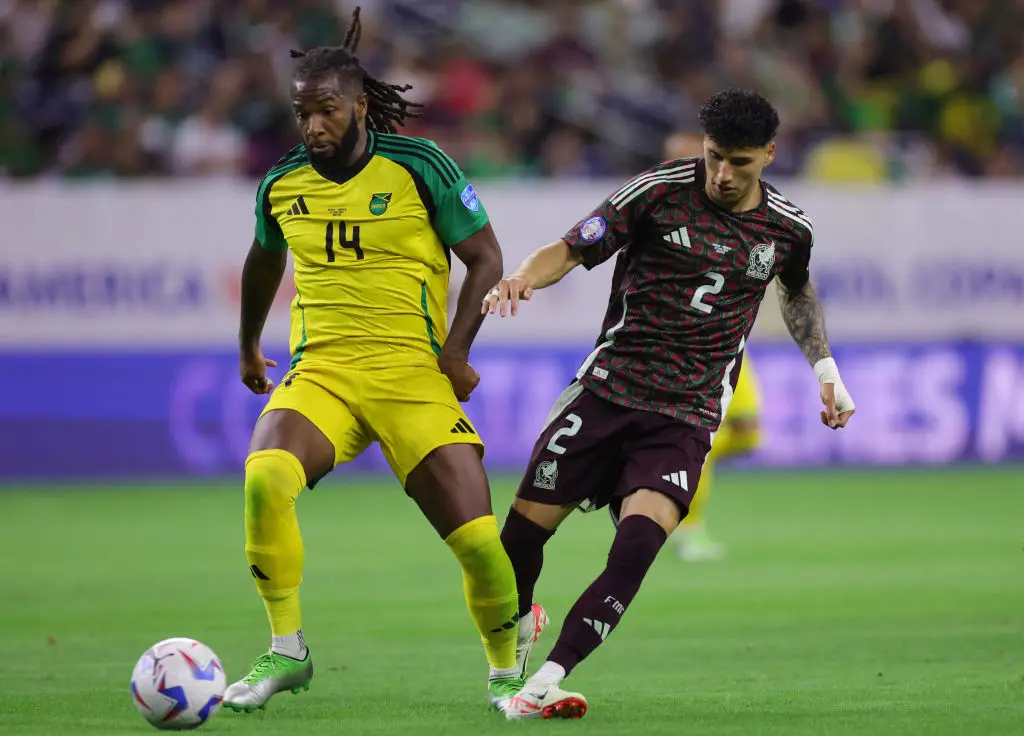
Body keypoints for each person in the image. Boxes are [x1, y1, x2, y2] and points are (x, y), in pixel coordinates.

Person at [482, 88, 856, 720]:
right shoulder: (655, 192)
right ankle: (521, 625)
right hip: (606, 393)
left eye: (739, 161)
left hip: (684, 415)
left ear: (768, 153)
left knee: (635, 549)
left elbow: (796, 294)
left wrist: (826, 369)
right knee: (516, 542)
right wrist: (523, 275)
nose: (722, 174)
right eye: (714, 157)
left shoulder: (789, 229)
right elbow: (572, 248)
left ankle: (545, 679)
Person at [226, 7, 538, 714]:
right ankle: (286, 650)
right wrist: (248, 342)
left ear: (360, 105)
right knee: (265, 479)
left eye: (327, 111)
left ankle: (505, 674)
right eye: (303, 113)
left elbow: (485, 256)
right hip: (323, 370)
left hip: (410, 375)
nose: (313, 128)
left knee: (480, 543)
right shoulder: (281, 184)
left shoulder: (420, 165)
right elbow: (261, 261)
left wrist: (456, 350)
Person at [661, 132, 764, 561]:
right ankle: (688, 525)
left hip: (731, 340)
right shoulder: (661, 208)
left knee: (747, 433)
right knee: (698, 440)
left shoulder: (734, 207)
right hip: (685, 345)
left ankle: (656, 478)